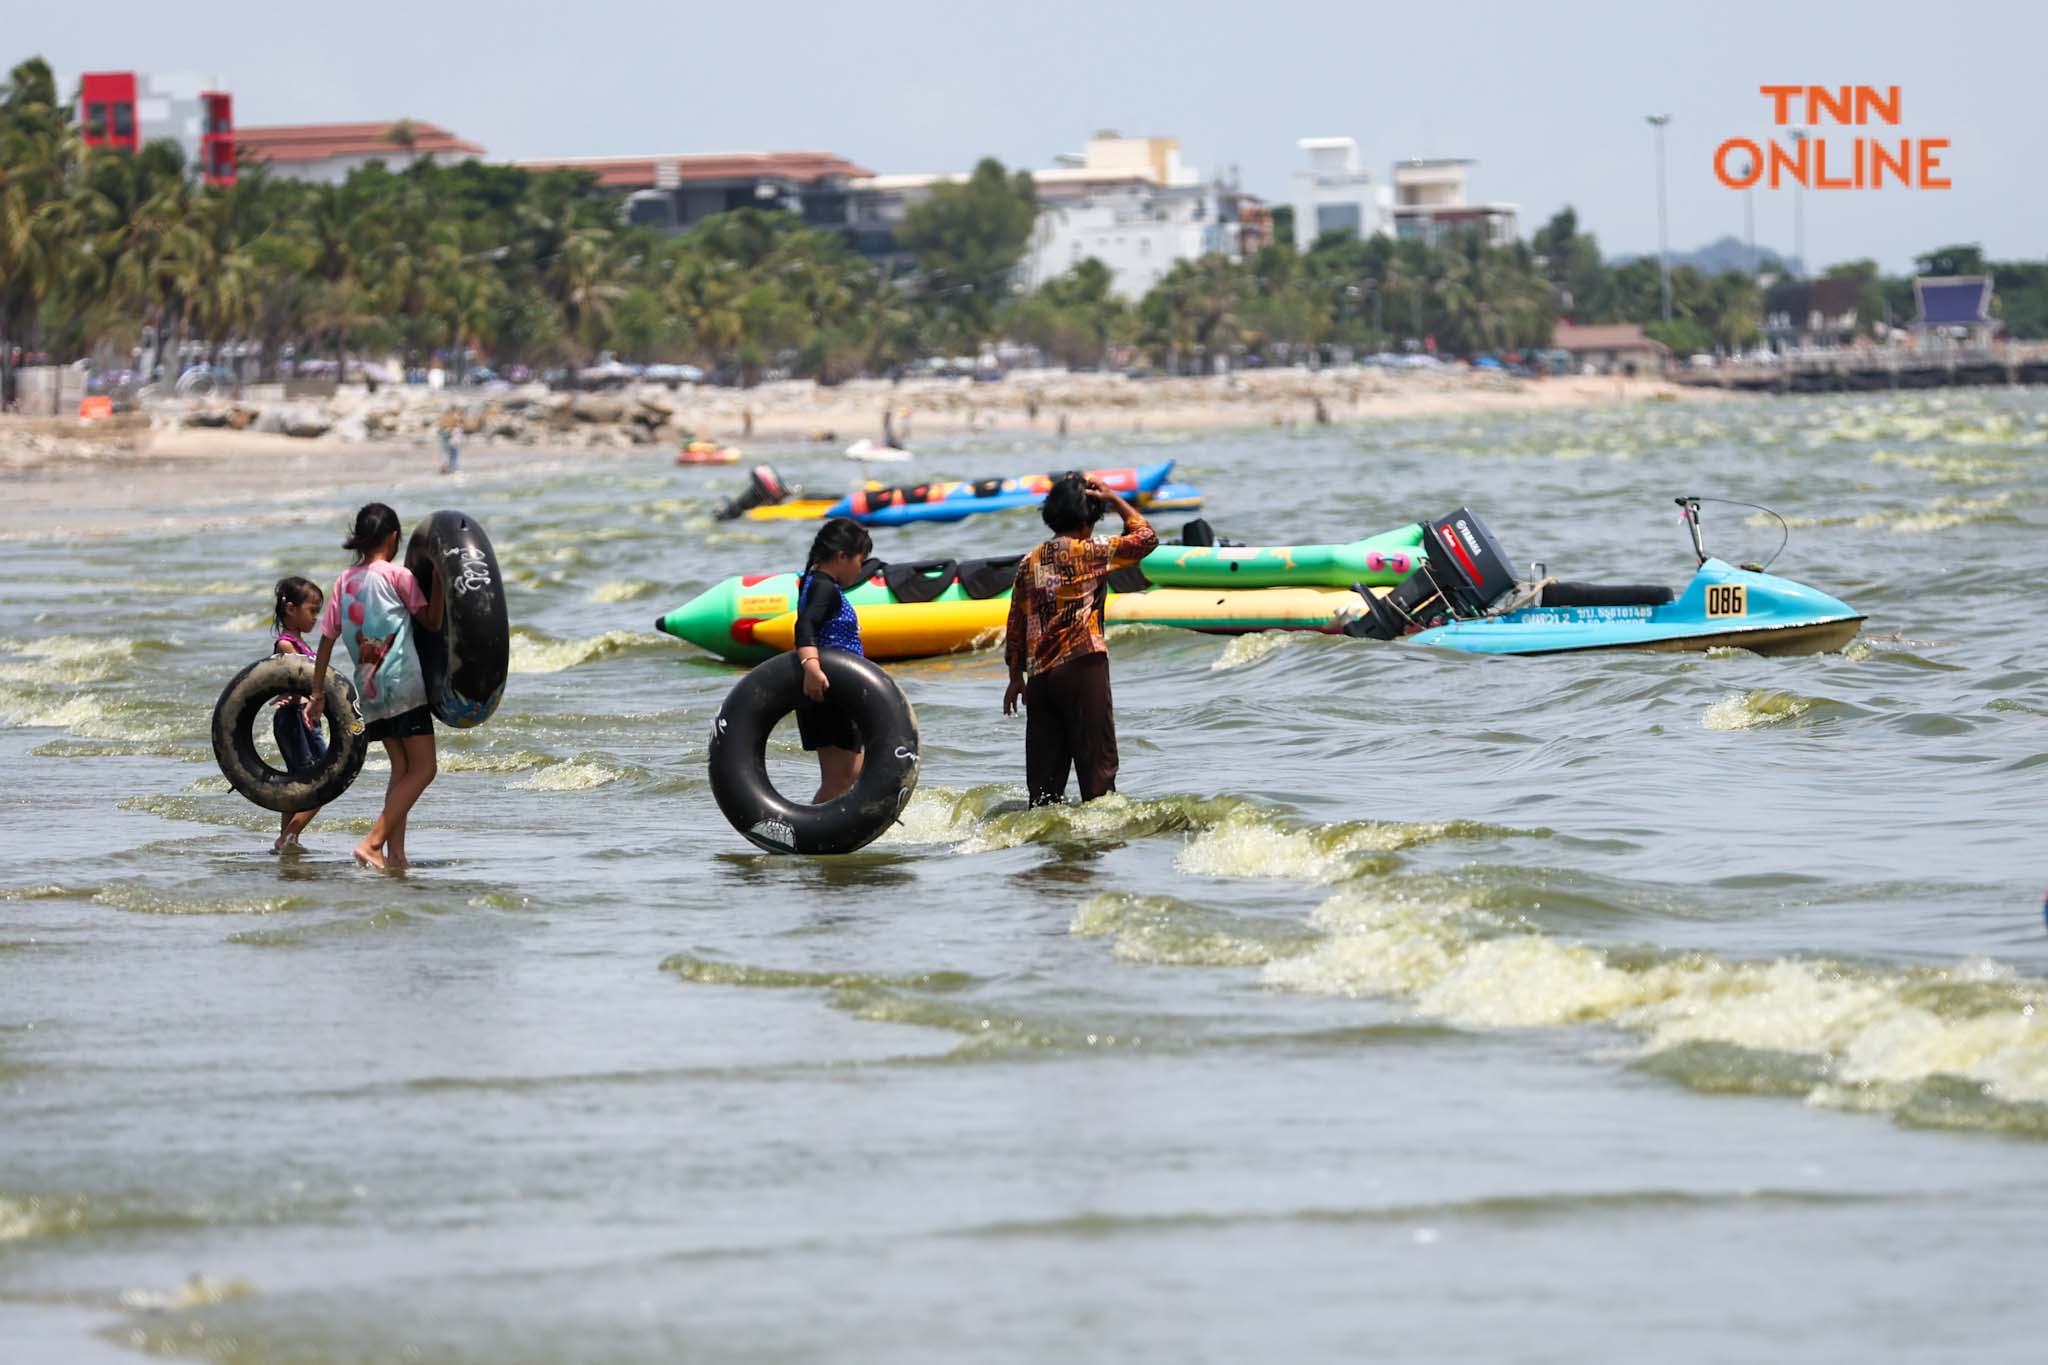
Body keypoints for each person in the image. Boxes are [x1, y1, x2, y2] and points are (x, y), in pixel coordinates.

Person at [1002, 472, 1158, 806]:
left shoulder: (1028, 562)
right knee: (1098, 781)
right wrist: (1115, 498)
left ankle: (1049, 856)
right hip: (1082, 667)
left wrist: (1016, 676)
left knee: (1043, 792)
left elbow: (1015, 623)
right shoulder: (1092, 550)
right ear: (1090, 516)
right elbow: (1145, 538)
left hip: (1041, 679)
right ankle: (1099, 852)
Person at [304, 503, 443, 872]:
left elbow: (327, 640)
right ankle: (372, 843)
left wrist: (317, 693)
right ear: (395, 538)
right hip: (404, 684)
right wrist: (442, 581)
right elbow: (430, 620)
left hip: (371, 692)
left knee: (402, 768)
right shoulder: (397, 576)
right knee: (425, 769)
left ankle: (395, 856)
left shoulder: (344, 582)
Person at [792, 517, 875, 803]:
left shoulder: (815, 582)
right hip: (827, 689)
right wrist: (811, 667)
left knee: (851, 776)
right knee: (840, 780)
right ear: (842, 556)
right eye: (859, 561)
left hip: (840, 691)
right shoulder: (823, 587)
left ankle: (833, 838)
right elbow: (804, 626)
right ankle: (812, 838)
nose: (860, 568)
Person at [269, 576, 327, 853]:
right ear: (291, 609)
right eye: (312, 610)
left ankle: (288, 840)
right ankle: (288, 836)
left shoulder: (302, 645)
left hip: (308, 721)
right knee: (321, 784)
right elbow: (293, 683)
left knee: (301, 780)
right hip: (293, 719)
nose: (317, 617)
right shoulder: (286, 645)